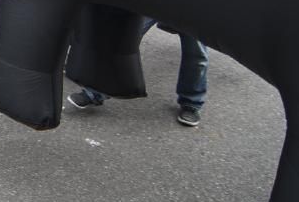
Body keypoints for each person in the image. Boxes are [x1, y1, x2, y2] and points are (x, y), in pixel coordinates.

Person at [67, 19, 209, 126]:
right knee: (123, 39)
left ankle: (191, 102)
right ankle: (97, 91)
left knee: (197, 55)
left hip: (193, 0)